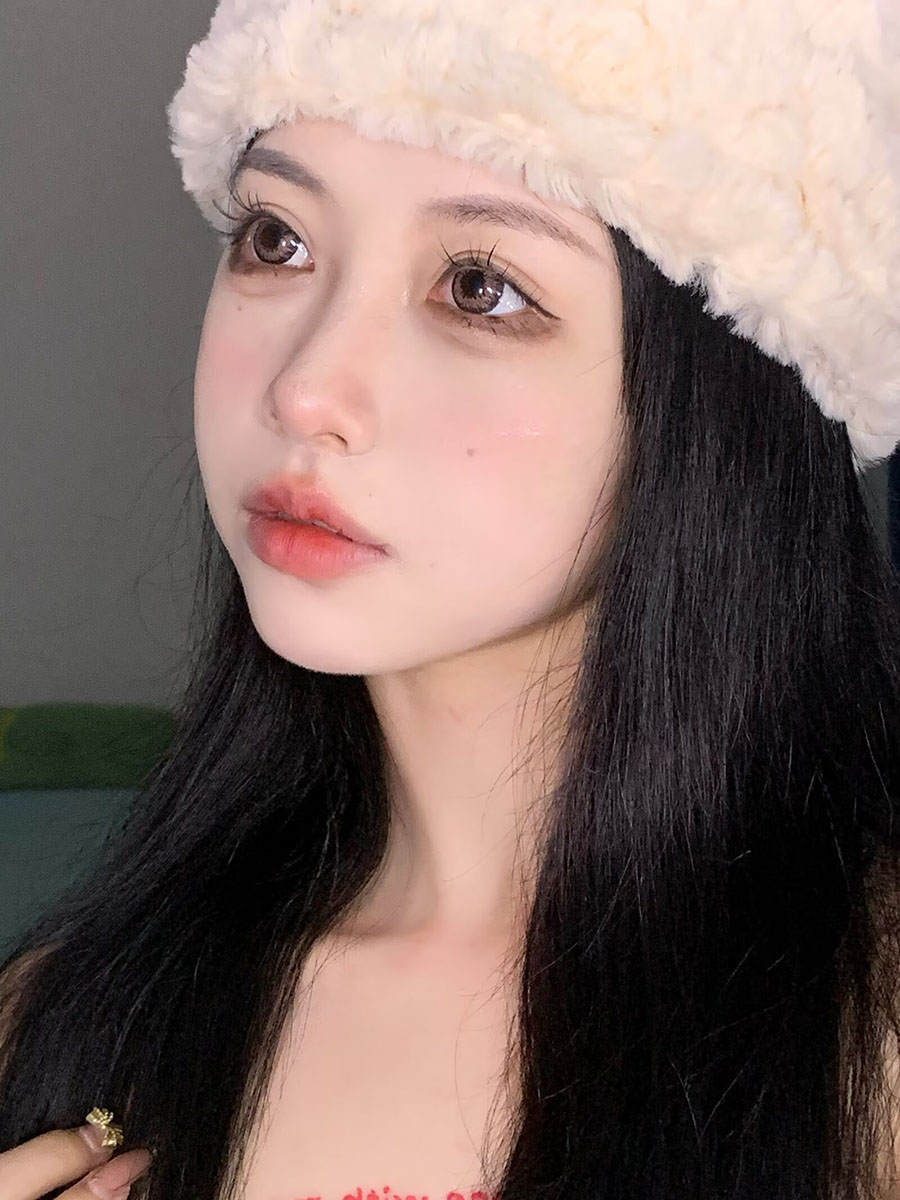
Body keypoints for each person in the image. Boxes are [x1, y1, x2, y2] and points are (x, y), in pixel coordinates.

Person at [1, 1, 900, 1198]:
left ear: (730, 399)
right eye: (276, 238)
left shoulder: (867, 1040)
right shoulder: (63, 1020)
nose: (307, 389)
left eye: (480, 287)